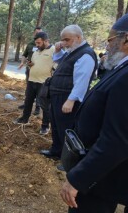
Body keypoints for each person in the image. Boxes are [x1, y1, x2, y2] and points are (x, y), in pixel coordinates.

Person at [60, 14, 128, 212]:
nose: (107, 45)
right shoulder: (121, 67)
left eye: (110, 40)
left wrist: (78, 179)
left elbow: (116, 140)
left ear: (126, 39)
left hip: (100, 179)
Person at [40, 25, 97, 159]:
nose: (64, 43)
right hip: (58, 96)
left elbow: (82, 81)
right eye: (62, 40)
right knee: (55, 125)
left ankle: (67, 159)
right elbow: (59, 61)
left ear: (78, 37)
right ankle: (56, 151)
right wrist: (59, 50)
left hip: (67, 98)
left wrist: (71, 100)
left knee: (65, 128)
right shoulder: (73, 51)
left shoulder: (86, 54)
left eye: (67, 40)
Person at [13, 32, 54, 135]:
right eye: (36, 43)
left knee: (45, 105)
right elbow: (33, 63)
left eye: (39, 43)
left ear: (46, 41)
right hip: (32, 80)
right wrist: (30, 64)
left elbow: (56, 66)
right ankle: (24, 119)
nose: (37, 45)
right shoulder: (36, 51)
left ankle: (45, 126)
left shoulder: (53, 50)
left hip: (44, 83)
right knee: (28, 101)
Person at [17, 26, 43, 115]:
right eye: (36, 33)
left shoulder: (44, 45)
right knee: (29, 88)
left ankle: (37, 107)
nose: (38, 34)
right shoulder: (30, 44)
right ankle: (27, 104)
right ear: (34, 33)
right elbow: (25, 55)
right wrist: (22, 63)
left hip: (40, 72)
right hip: (29, 70)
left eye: (40, 33)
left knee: (39, 89)